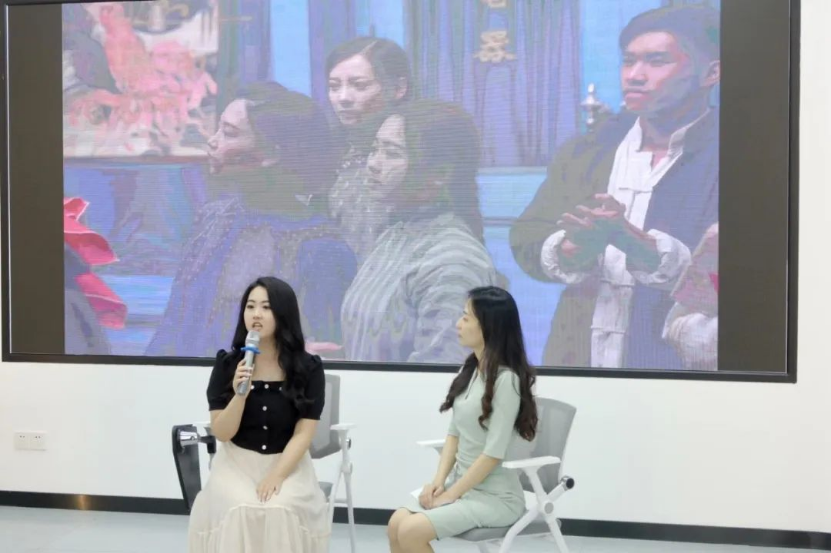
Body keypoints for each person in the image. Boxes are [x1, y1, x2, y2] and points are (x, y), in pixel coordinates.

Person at [509, 5, 720, 370]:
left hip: (671, 367)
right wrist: (573, 248)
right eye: (628, 61)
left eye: (657, 61)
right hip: (577, 357)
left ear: (711, 73)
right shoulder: (588, 150)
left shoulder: (733, 156)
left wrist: (637, 245)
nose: (635, 76)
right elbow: (527, 237)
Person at [146, 82, 357, 357]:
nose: (213, 141)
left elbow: (326, 350)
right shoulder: (212, 218)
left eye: (229, 133)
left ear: (270, 154)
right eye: (219, 129)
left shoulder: (321, 247)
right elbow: (173, 324)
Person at [340, 99, 497, 363]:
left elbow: (442, 374)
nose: (373, 164)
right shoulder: (393, 236)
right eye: (375, 149)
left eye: (392, 153)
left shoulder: (454, 258)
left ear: (440, 173)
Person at [387, 286, 538, 551]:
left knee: (411, 531)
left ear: (489, 327)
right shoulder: (470, 371)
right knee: (396, 524)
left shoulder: (507, 381)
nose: (458, 324)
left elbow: (493, 454)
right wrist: (438, 483)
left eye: (466, 318)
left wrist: (450, 495)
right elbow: (453, 434)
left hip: (496, 498)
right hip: (462, 487)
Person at [188, 277, 330, 552]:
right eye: (250, 306)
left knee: (279, 508)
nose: (256, 314)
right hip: (236, 463)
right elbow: (222, 433)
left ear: (283, 314)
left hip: (288, 464)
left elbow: (304, 432)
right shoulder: (227, 365)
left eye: (266, 307)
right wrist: (240, 393)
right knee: (240, 507)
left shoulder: (308, 368)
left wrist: (277, 475)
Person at [325, 37, 412, 262]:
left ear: (398, 88)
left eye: (359, 85)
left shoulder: (416, 155)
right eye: (334, 87)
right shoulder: (327, 153)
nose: (343, 98)